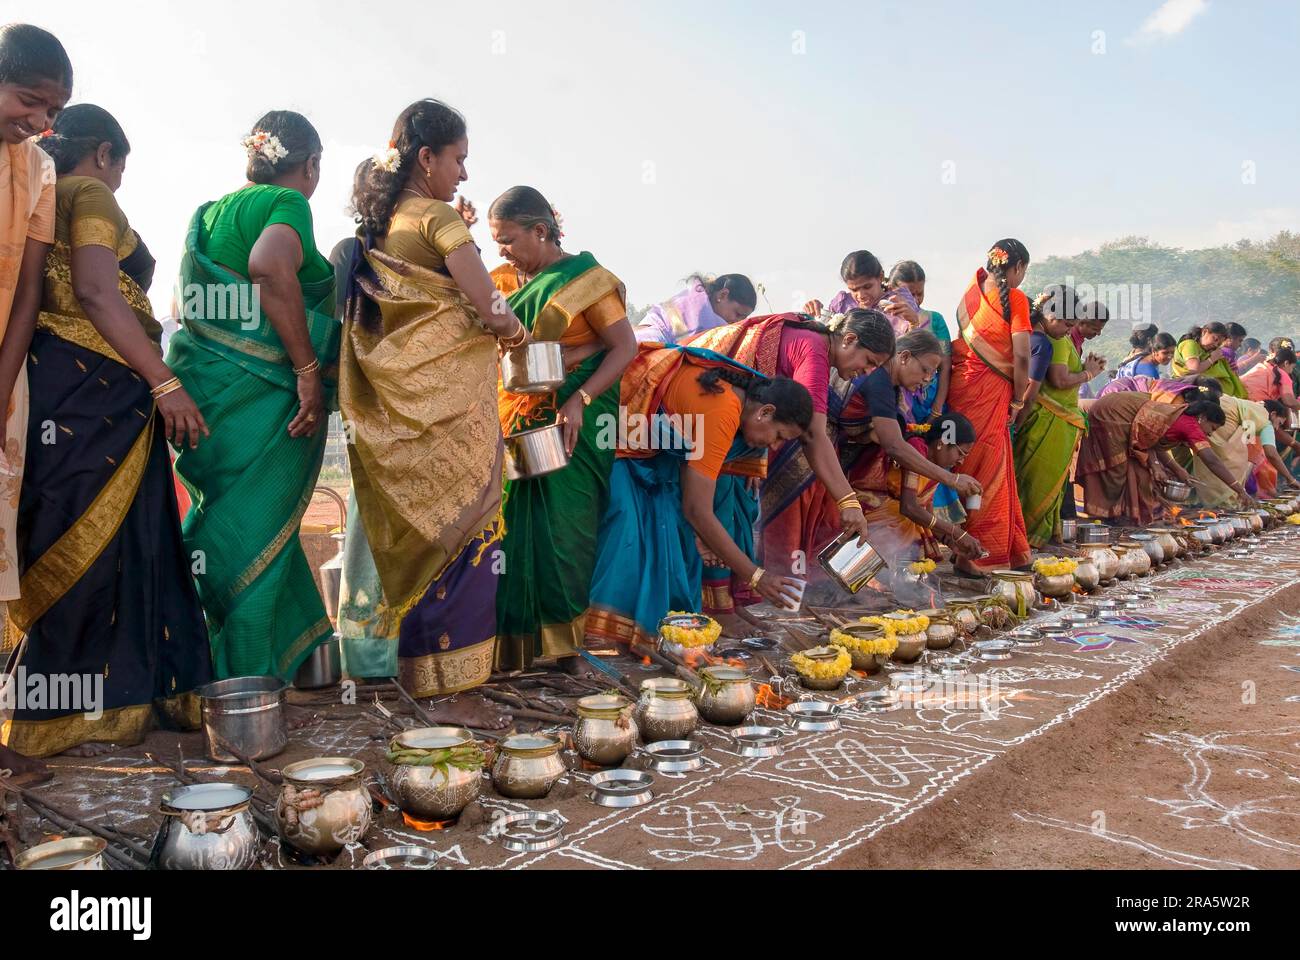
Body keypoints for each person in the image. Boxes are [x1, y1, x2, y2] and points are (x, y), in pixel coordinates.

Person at [1, 105, 213, 758]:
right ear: (103, 155)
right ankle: (116, 711)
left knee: (64, 543)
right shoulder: (89, 192)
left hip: (54, 392)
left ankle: (56, 715)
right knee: (115, 553)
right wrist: (164, 380)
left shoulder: (36, 196)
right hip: (105, 393)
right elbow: (97, 292)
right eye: (122, 166)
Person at [339, 101, 531, 719]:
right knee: (463, 531)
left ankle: (421, 677)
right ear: (427, 158)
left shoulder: (384, 224)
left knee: (426, 537)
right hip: (451, 422)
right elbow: (488, 306)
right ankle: (452, 690)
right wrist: (519, 336)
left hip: (402, 419)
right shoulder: (437, 218)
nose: (465, 174)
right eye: (459, 159)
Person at [166, 111, 339, 681]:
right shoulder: (287, 204)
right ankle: (241, 680)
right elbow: (268, 268)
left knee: (257, 526)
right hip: (265, 399)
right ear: (310, 164)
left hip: (208, 394)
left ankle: (303, 663)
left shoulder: (209, 215)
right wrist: (307, 367)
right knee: (259, 530)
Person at [488, 186, 638, 674]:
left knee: (565, 536)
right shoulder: (507, 280)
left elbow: (623, 347)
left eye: (508, 240)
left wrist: (579, 397)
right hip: (518, 418)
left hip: (578, 424)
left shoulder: (588, 281)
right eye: (495, 241)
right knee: (515, 533)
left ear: (540, 231)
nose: (502, 251)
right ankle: (516, 649)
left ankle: (565, 651)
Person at [680, 310, 909, 626]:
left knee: (741, 511)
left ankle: (732, 602)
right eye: (868, 361)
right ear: (849, 339)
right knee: (719, 510)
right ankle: (714, 608)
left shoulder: (814, 345)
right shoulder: (814, 351)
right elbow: (812, 434)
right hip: (710, 413)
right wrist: (848, 500)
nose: (866, 372)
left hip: (738, 425)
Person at [587, 351, 811, 651]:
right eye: (779, 435)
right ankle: (603, 635)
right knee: (629, 534)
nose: (774, 446)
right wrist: (756, 576)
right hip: (614, 444)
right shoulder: (723, 410)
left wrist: (700, 535)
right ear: (765, 412)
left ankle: (652, 633)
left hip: (653, 456)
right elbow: (696, 508)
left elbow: (689, 476)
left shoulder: (735, 401)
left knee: (674, 538)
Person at [764, 327, 984, 596]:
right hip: (805, 453)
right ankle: (786, 598)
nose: (927, 380)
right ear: (903, 357)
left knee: (832, 528)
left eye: (933, 374)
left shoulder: (890, 388)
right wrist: (951, 479)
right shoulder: (878, 380)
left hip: (830, 458)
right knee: (796, 530)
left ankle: (851, 590)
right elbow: (894, 446)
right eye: (925, 369)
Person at [0, 24, 72, 777]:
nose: (40, 120)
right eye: (29, 100)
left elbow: (27, 294)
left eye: (53, 109)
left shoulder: (41, 170)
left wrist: (2, 385)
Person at [947, 239, 1033, 574]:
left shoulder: (971, 295)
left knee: (965, 467)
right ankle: (982, 557)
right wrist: (1018, 398)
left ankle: (962, 549)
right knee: (991, 472)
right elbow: (1023, 355)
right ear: (1018, 267)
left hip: (962, 390)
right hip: (993, 394)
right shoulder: (1015, 298)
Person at [1014, 287, 1104, 547]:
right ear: (1050, 315)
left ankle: (1037, 537)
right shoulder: (1046, 342)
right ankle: (1028, 538)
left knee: (1042, 483)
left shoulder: (1050, 338)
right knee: (1034, 484)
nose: (1069, 330)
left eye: (1072, 325)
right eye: (1067, 324)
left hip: (1051, 421)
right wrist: (1088, 374)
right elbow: (1054, 381)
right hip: (1043, 420)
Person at [1077, 388, 1247, 524]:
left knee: (1141, 474)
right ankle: (1108, 517)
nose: (1210, 434)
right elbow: (1211, 461)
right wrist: (1239, 490)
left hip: (1124, 416)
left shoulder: (1183, 418)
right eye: (1213, 428)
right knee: (1118, 470)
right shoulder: (1190, 426)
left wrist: (1177, 469)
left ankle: (1126, 516)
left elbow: (1151, 440)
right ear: (1202, 418)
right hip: (1114, 415)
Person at [804, 250, 919, 335]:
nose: (861, 295)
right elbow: (828, 336)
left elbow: (917, 344)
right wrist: (815, 316)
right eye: (854, 290)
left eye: (867, 287)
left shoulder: (898, 300)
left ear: (880, 277)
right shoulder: (842, 304)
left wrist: (914, 322)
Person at [1193, 394, 1271, 507]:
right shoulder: (1262, 422)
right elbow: (1267, 454)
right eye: (1279, 423)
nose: (1277, 428)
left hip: (1213, 409)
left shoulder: (1248, 418)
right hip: (1216, 412)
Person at [634, 274, 756, 344]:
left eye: (742, 318)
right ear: (722, 295)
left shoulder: (711, 315)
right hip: (651, 337)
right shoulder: (698, 306)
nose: (737, 321)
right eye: (737, 314)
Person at [1172, 323, 1247, 399]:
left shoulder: (1207, 350)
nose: (1215, 344)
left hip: (1221, 394)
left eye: (1219, 343)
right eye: (1215, 339)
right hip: (1191, 388)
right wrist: (1212, 359)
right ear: (1205, 332)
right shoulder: (1190, 344)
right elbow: (1194, 370)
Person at [1241, 338, 1300, 410]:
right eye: (1292, 367)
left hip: (1238, 399)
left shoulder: (1262, 365)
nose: (1291, 371)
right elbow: (1289, 402)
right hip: (1253, 406)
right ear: (1286, 363)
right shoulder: (1282, 374)